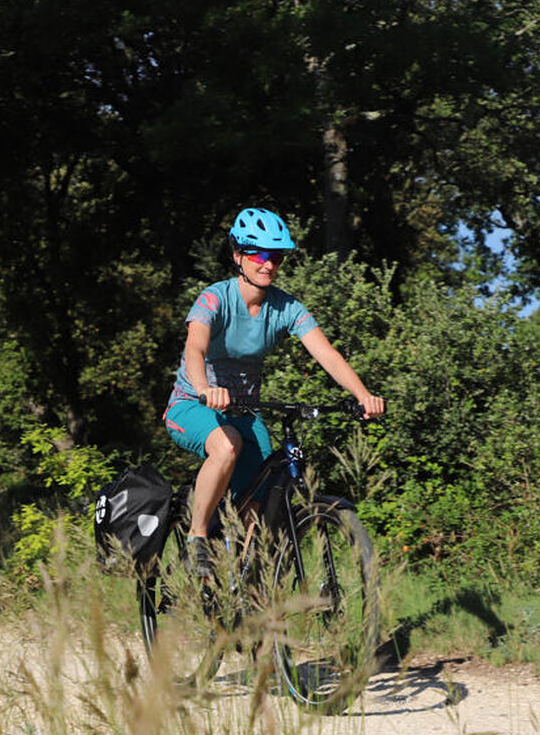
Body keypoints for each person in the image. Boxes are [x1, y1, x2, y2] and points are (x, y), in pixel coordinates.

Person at [163, 206, 385, 574]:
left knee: (263, 502)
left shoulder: (286, 307)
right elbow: (195, 347)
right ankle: (196, 540)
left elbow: (326, 354)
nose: (268, 264)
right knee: (226, 444)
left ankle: (246, 590)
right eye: (259, 254)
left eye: (276, 256)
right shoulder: (214, 298)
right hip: (192, 405)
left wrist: (363, 395)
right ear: (238, 255)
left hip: (245, 412)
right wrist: (204, 389)